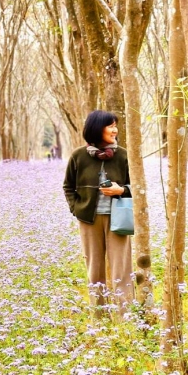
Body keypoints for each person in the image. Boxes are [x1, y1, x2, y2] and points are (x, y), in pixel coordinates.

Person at [63, 110, 134, 311]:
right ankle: (99, 316)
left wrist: (121, 190)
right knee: (94, 270)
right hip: (89, 220)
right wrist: (76, 209)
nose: (115, 130)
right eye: (110, 126)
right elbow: (68, 186)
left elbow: (136, 185)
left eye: (115, 125)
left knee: (122, 269)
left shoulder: (123, 155)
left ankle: (125, 317)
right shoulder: (78, 156)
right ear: (96, 128)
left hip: (118, 217)